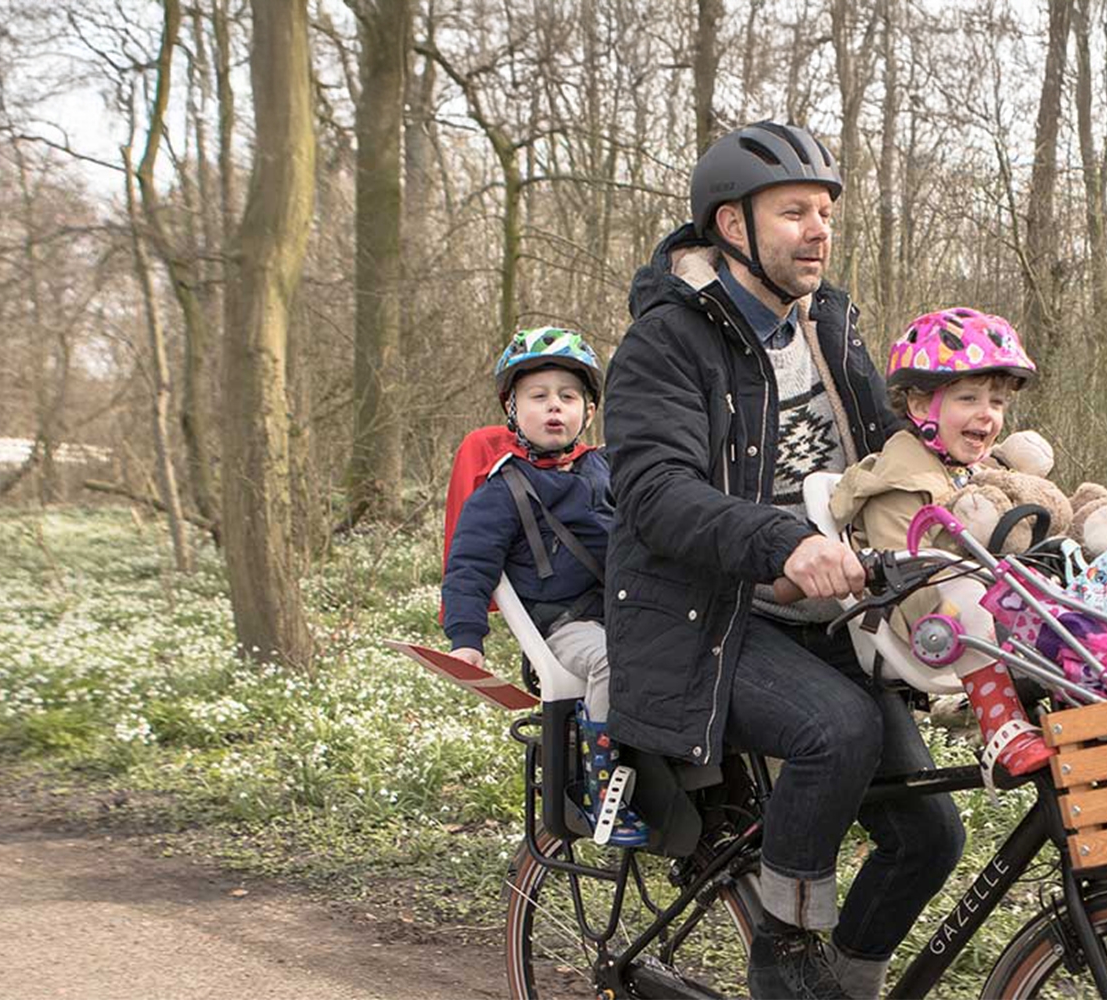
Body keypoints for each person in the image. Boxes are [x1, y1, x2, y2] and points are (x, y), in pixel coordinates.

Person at [602, 121, 964, 1000]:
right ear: (734, 226)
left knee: (930, 836)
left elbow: (885, 450)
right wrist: (784, 541)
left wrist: (971, 475)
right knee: (834, 730)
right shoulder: (667, 342)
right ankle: (785, 954)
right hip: (713, 616)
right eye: (794, 211)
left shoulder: (830, 326)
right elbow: (653, 491)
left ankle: (846, 984)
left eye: (825, 211)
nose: (818, 229)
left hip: (835, 611)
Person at [829, 307, 1057, 778]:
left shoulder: (977, 472)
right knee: (970, 598)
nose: (987, 415)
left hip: (993, 602)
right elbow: (907, 576)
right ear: (919, 408)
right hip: (924, 615)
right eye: (968, 398)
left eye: (996, 403)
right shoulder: (898, 482)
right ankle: (1000, 726)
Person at [440, 327, 647, 845]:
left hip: (627, 611)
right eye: (539, 396)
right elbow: (468, 566)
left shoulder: (605, 469)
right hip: (564, 629)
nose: (555, 407)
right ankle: (603, 786)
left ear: (589, 412)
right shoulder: (500, 490)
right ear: (513, 410)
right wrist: (466, 640)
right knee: (611, 659)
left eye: (568, 396)